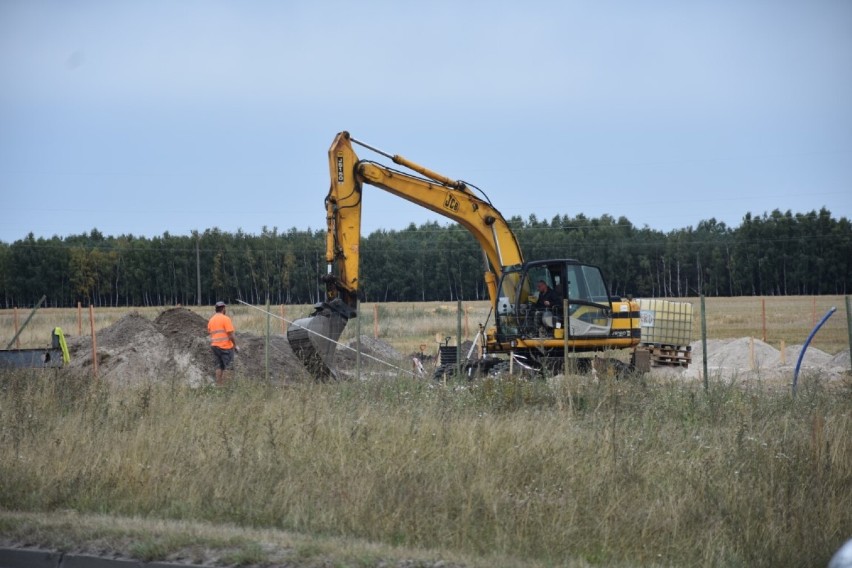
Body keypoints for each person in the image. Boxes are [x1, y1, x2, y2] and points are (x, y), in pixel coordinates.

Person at [208, 301, 238, 386]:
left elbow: (211, 332)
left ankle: (219, 386)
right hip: (225, 346)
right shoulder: (226, 319)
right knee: (228, 367)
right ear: (223, 309)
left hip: (214, 347)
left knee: (218, 367)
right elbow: (230, 334)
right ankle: (226, 387)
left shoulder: (211, 320)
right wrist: (235, 345)